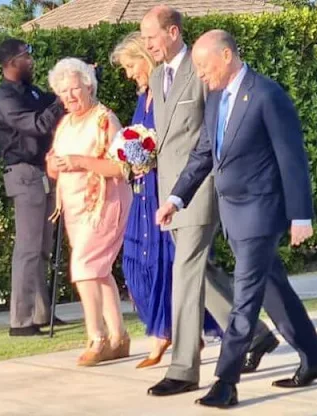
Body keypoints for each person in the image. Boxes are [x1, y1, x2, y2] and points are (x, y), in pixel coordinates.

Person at [156, 30, 317, 408]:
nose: (200, 74)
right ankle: (316, 359)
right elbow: (204, 154)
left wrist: (300, 214)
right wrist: (176, 197)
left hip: (260, 211)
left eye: (204, 66)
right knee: (274, 288)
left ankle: (226, 380)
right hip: (232, 212)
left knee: (246, 296)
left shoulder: (267, 95)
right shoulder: (216, 98)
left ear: (226, 56)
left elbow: (292, 158)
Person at [140, 5, 279, 397]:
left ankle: (183, 368)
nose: (147, 44)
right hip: (173, 190)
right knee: (202, 271)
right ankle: (255, 335)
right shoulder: (155, 75)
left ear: (173, 32)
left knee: (184, 273)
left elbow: (218, 130)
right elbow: (168, 137)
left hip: (201, 189)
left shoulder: (200, 70)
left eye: (151, 36)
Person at [110, 32, 223, 369]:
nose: (130, 74)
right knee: (145, 265)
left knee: (176, 265)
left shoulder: (173, 86)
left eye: (131, 65)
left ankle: (175, 339)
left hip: (174, 189)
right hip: (146, 191)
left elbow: (185, 136)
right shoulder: (146, 94)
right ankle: (183, 333)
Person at [46, 57, 133, 367]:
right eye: (63, 91)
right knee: (98, 270)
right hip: (74, 208)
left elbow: (122, 166)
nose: (69, 96)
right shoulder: (65, 123)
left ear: (89, 85)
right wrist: (54, 165)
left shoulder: (105, 119)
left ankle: (96, 337)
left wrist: (80, 162)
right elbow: (54, 164)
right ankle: (119, 338)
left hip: (105, 204)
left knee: (83, 268)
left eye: (74, 89)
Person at [0, 38, 67, 337]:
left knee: (42, 248)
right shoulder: (5, 99)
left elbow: (51, 103)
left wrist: (70, 88)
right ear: (11, 62)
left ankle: (41, 313)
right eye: (26, 55)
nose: (31, 60)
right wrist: (60, 104)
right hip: (24, 175)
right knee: (27, 250)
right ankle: (20, 321)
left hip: (43, 173)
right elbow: (36, 125)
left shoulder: (31, 91)